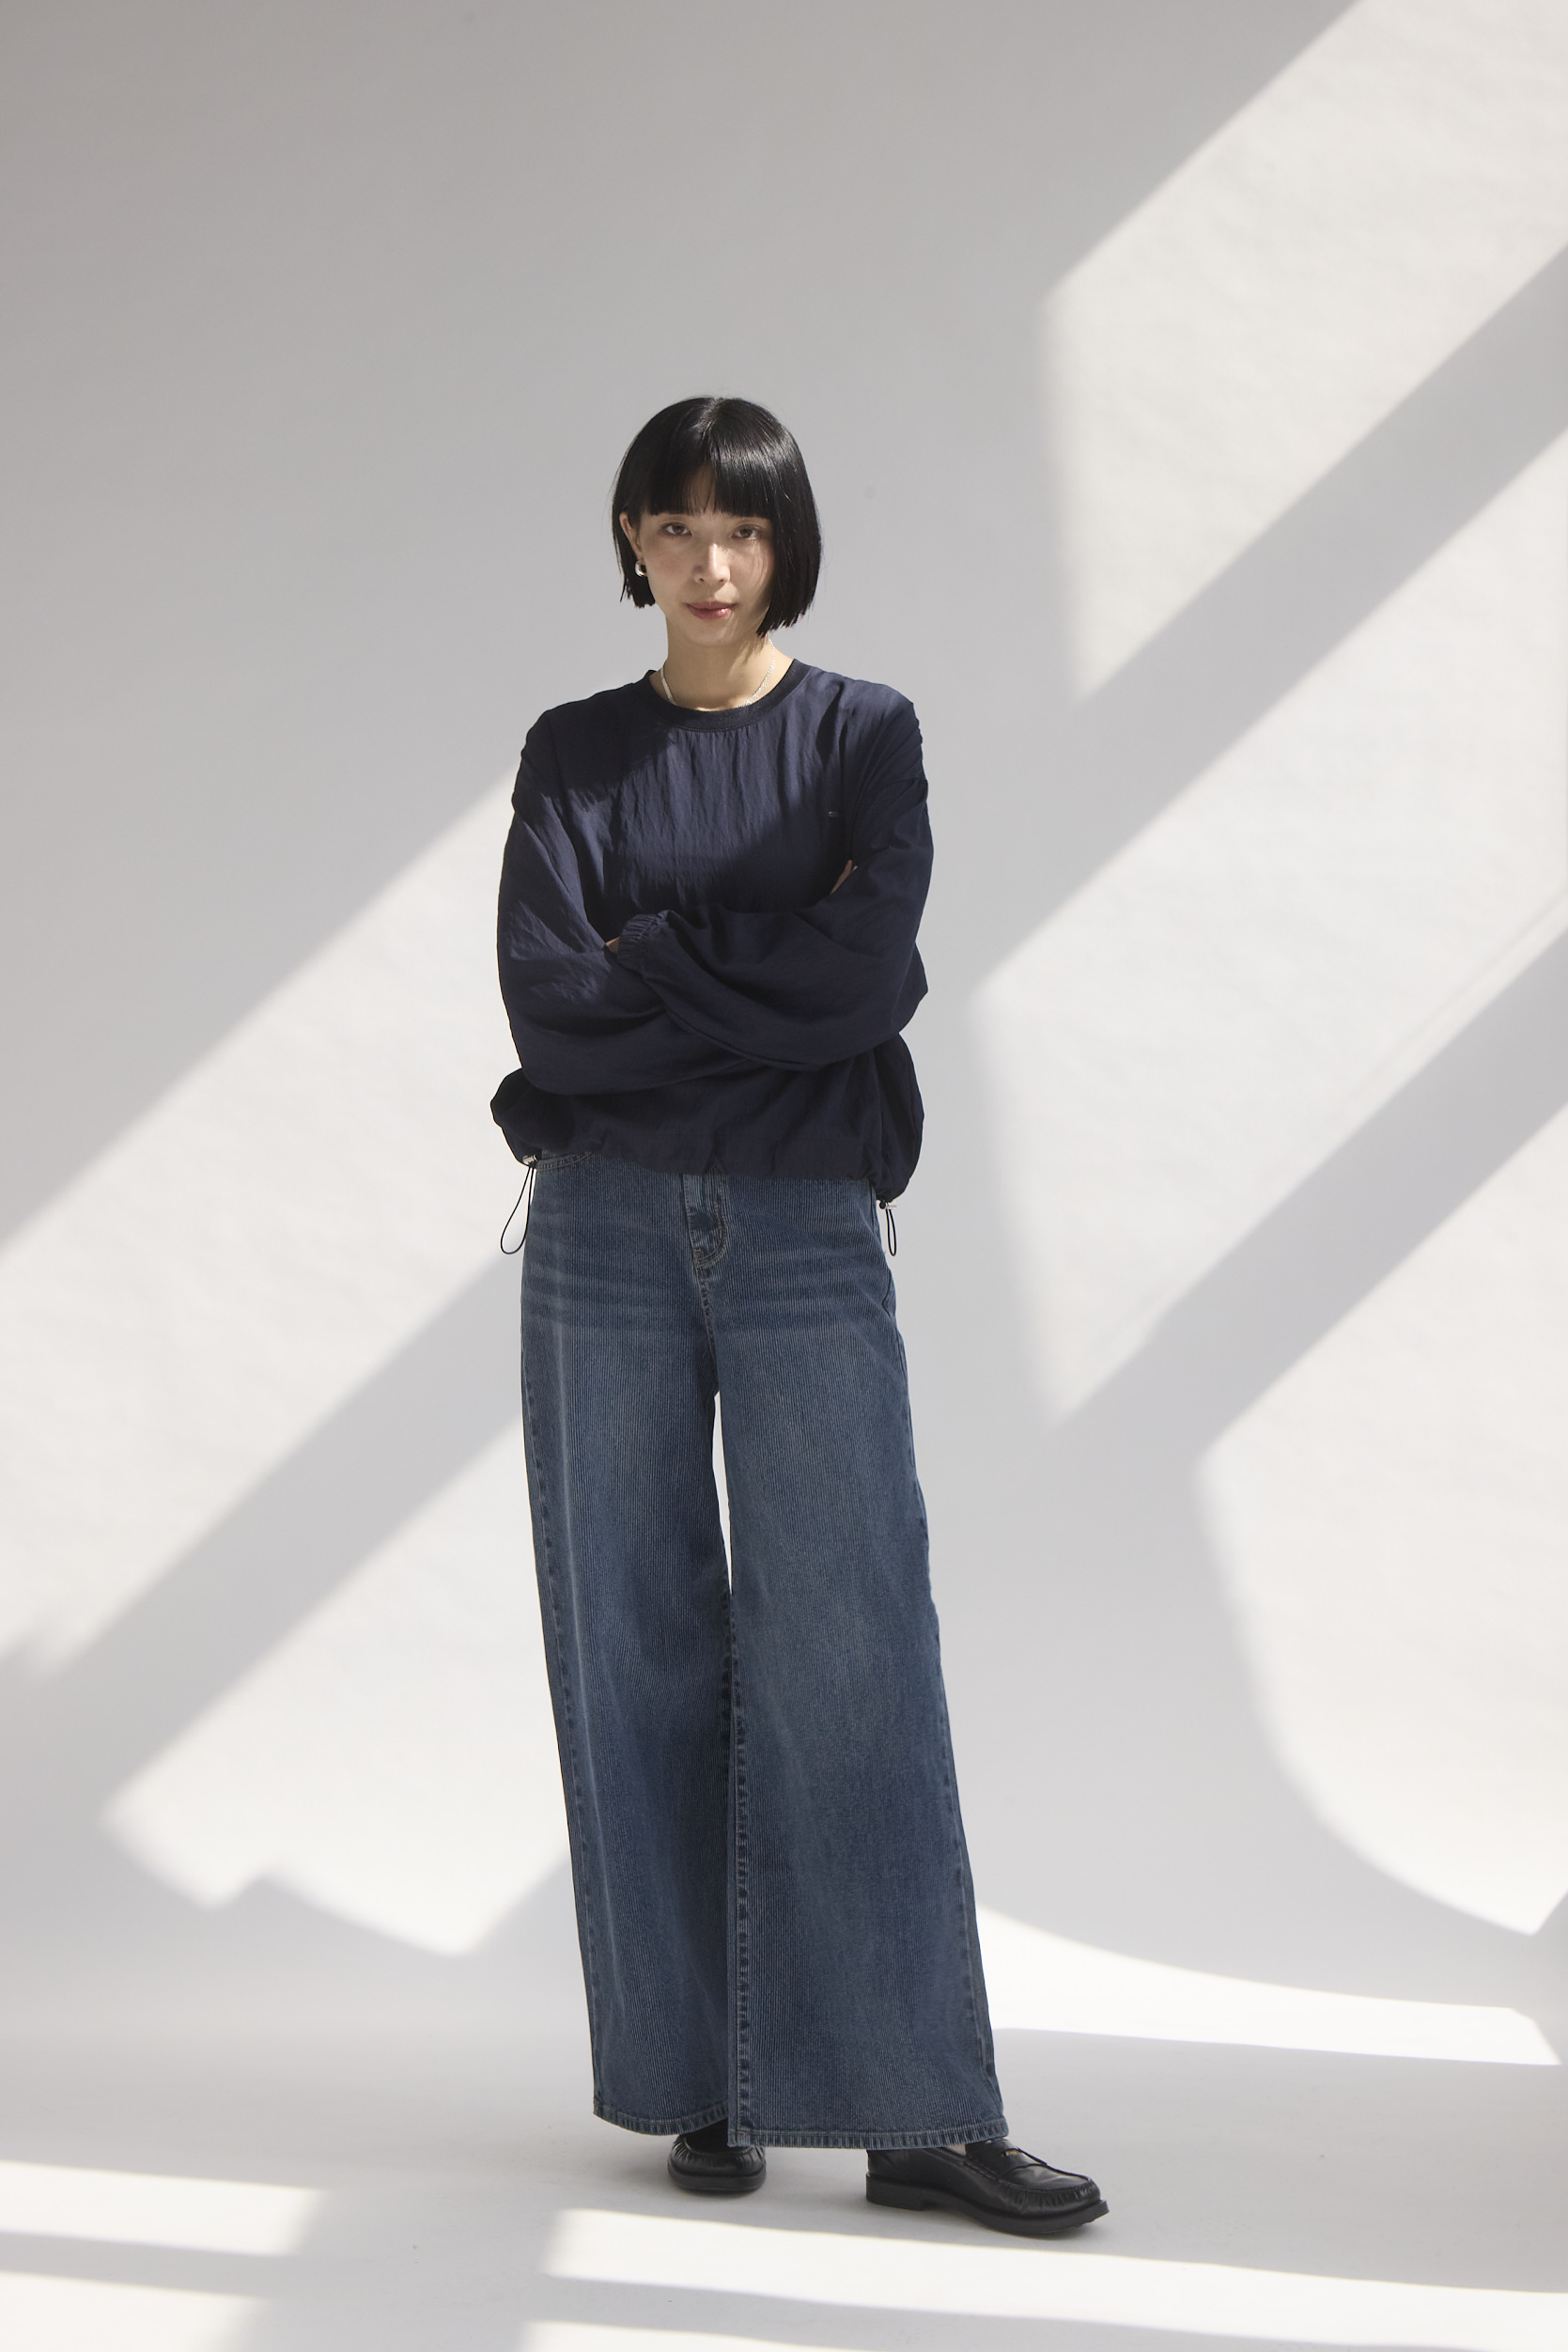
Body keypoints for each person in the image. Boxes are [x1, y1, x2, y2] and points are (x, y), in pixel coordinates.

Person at [491, 396, 1106, 2238]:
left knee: (851, 1633)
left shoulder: (860, 735)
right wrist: (751, 983)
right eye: (676, 526)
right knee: (633, 1636)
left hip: (805, 1222)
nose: (710, 562)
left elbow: (868, 978)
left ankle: (917, 2110)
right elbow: (550, 1006)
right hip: (599, 1222)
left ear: (786, 544)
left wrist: (657, 958)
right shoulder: (575, 750)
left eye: (742, 528)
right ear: (630, 539)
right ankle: (700, 2079)